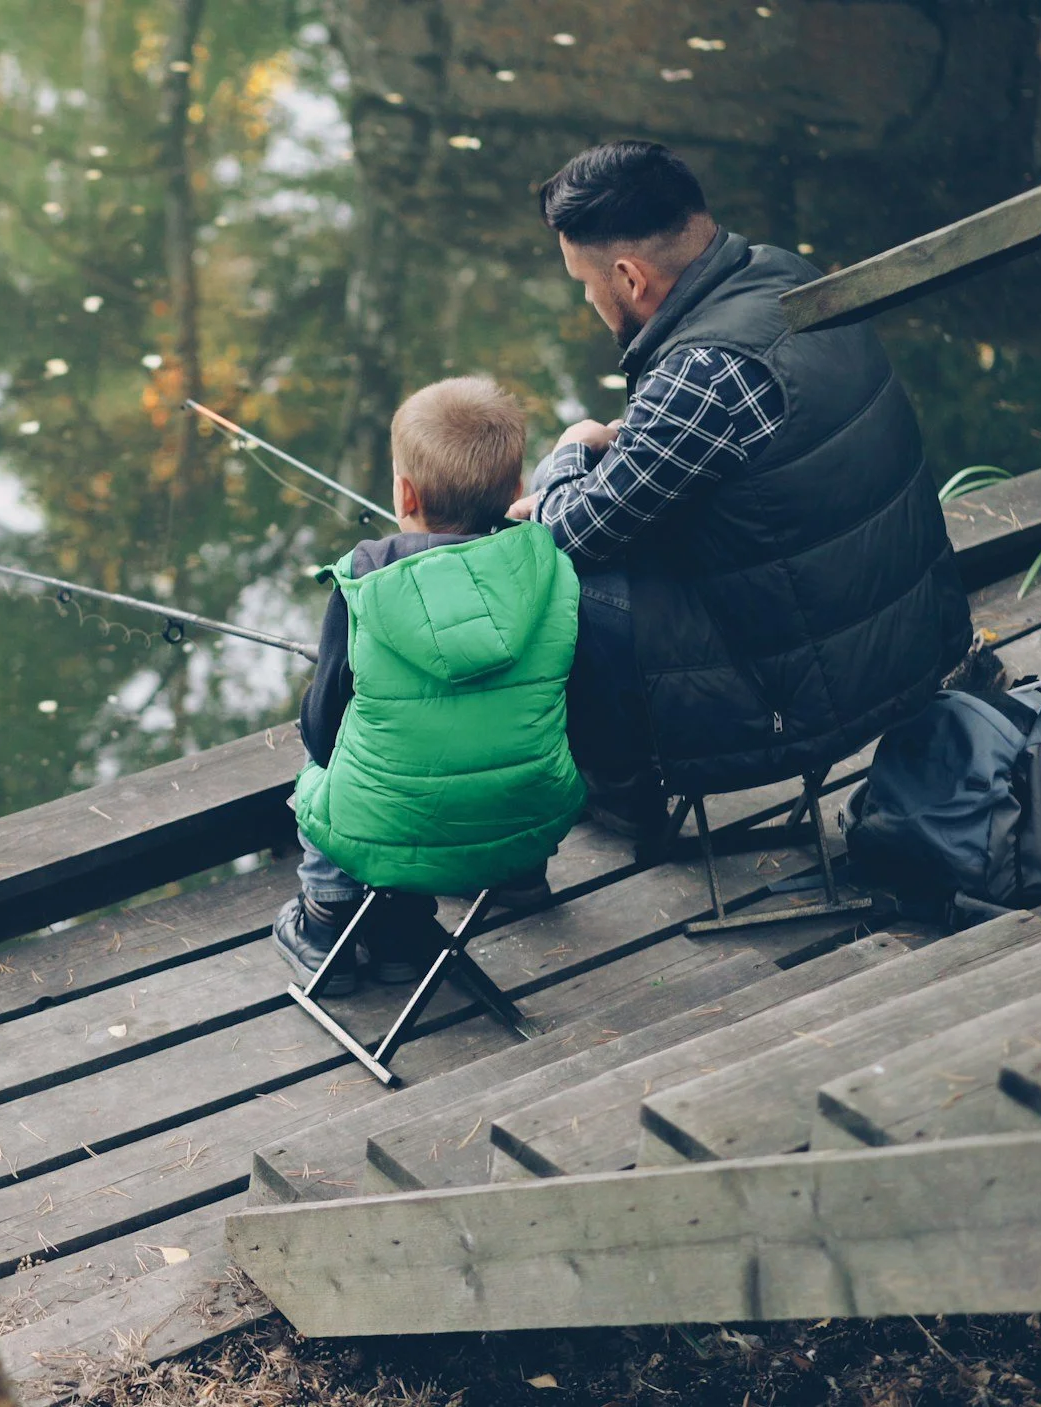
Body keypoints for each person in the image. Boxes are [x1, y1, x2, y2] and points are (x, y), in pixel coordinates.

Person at [508, 141, 969, 828]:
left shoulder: (703, 373)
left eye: (585, 282)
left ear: (630, 277)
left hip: (810, 697)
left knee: (545, 582)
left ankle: (619, 791)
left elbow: (565, 537)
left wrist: (568, 454)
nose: (587, 299)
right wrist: (628, 443)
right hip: (907, 641)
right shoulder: (783, 275)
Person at [273, 377, 587, 995]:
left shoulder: (363, 581)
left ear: (404, 492)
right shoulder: (552, 569)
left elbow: (323, 730)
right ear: (516, 492)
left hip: (385, 834)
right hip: (530, 823)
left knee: (324, 765)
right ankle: (433, 917)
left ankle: (327, 922)